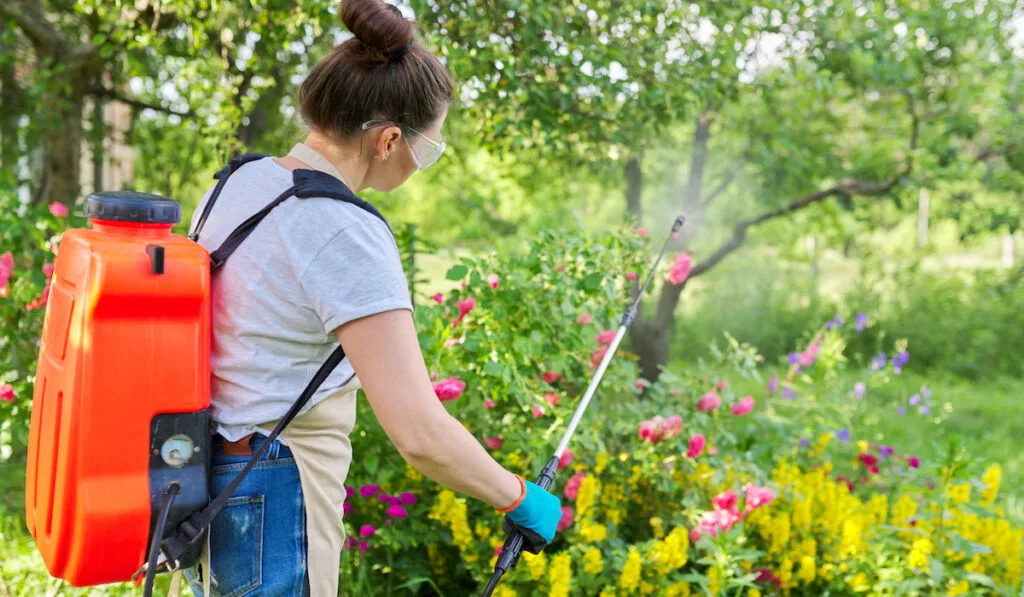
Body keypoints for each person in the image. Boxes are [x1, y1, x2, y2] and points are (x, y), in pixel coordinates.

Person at [182, 1, 562, 595]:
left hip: (206, 474)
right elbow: (418, 432)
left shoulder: (240, 181)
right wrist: (518, 496)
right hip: (275, 493)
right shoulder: (342, 229)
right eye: (427, 150)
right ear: (387, 140)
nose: (420, 166)